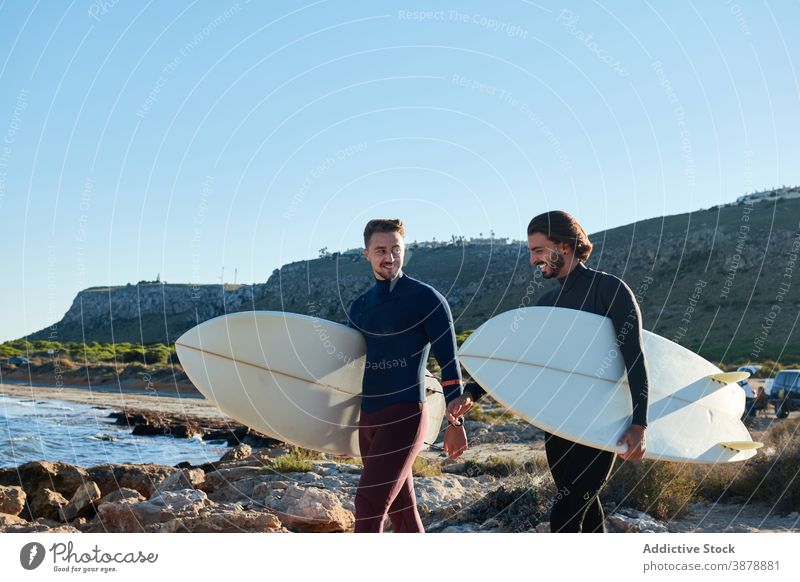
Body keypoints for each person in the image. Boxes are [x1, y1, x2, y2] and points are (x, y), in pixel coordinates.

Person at [449, 210, 649, 533]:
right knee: (586, 507)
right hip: (557, 424)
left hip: (600, 425)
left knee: (565, 516)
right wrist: (473, 393)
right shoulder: (547, 303)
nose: (532, 260)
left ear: (565, 246)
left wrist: (639, 424)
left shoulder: (609, 291)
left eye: (538, 250)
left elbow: (635, 360)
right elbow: (518, 358)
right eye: (530, 252)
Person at [347, 218, 467, 533]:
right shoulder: (359, 307)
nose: (389, 257)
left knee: (368, 505)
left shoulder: (426, 299)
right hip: (368, 421)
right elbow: (343, 363)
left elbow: (449, 364)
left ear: (405, 250)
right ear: (366, 254)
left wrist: (455, 424)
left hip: (405, 416)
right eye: (381, 250)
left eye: (395, 249)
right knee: (402, 512)